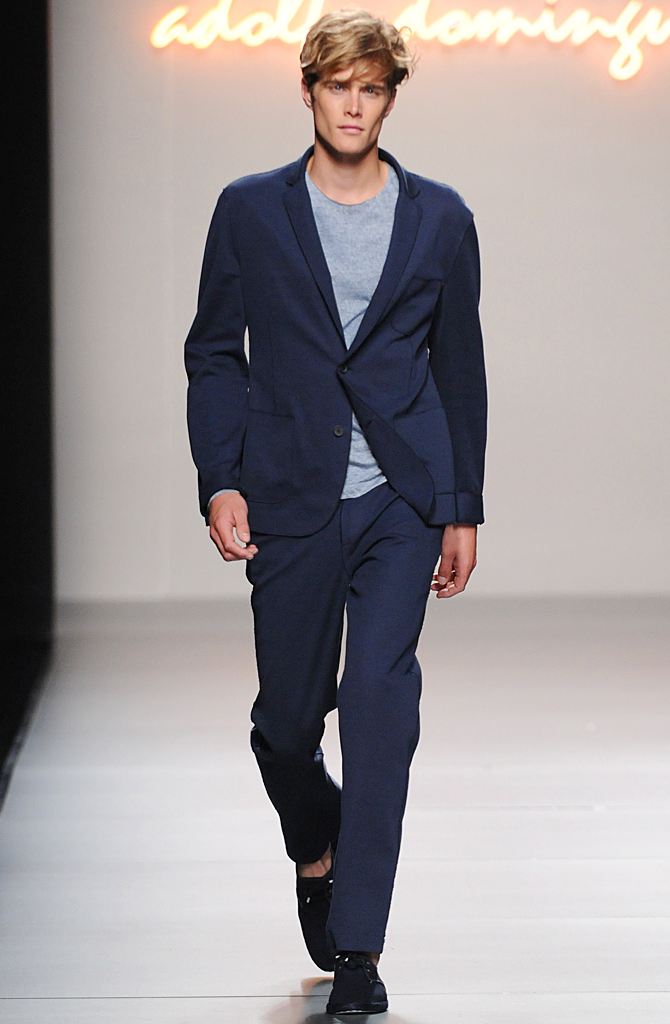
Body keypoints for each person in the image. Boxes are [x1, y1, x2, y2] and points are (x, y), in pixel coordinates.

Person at [184, 8, 488, 1015]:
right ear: (308, 90)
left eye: (371, 89)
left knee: (377, 710)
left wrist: (460, 505)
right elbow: (214, 352)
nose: (353, 106)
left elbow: (458, 366)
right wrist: (221, 478)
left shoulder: (440, 216)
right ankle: (315, 844)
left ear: (389, 98)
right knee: (284, 724)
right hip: (288, 492)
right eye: (337, 87)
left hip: (401, 494)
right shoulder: (249, 210)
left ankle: (358, 948)